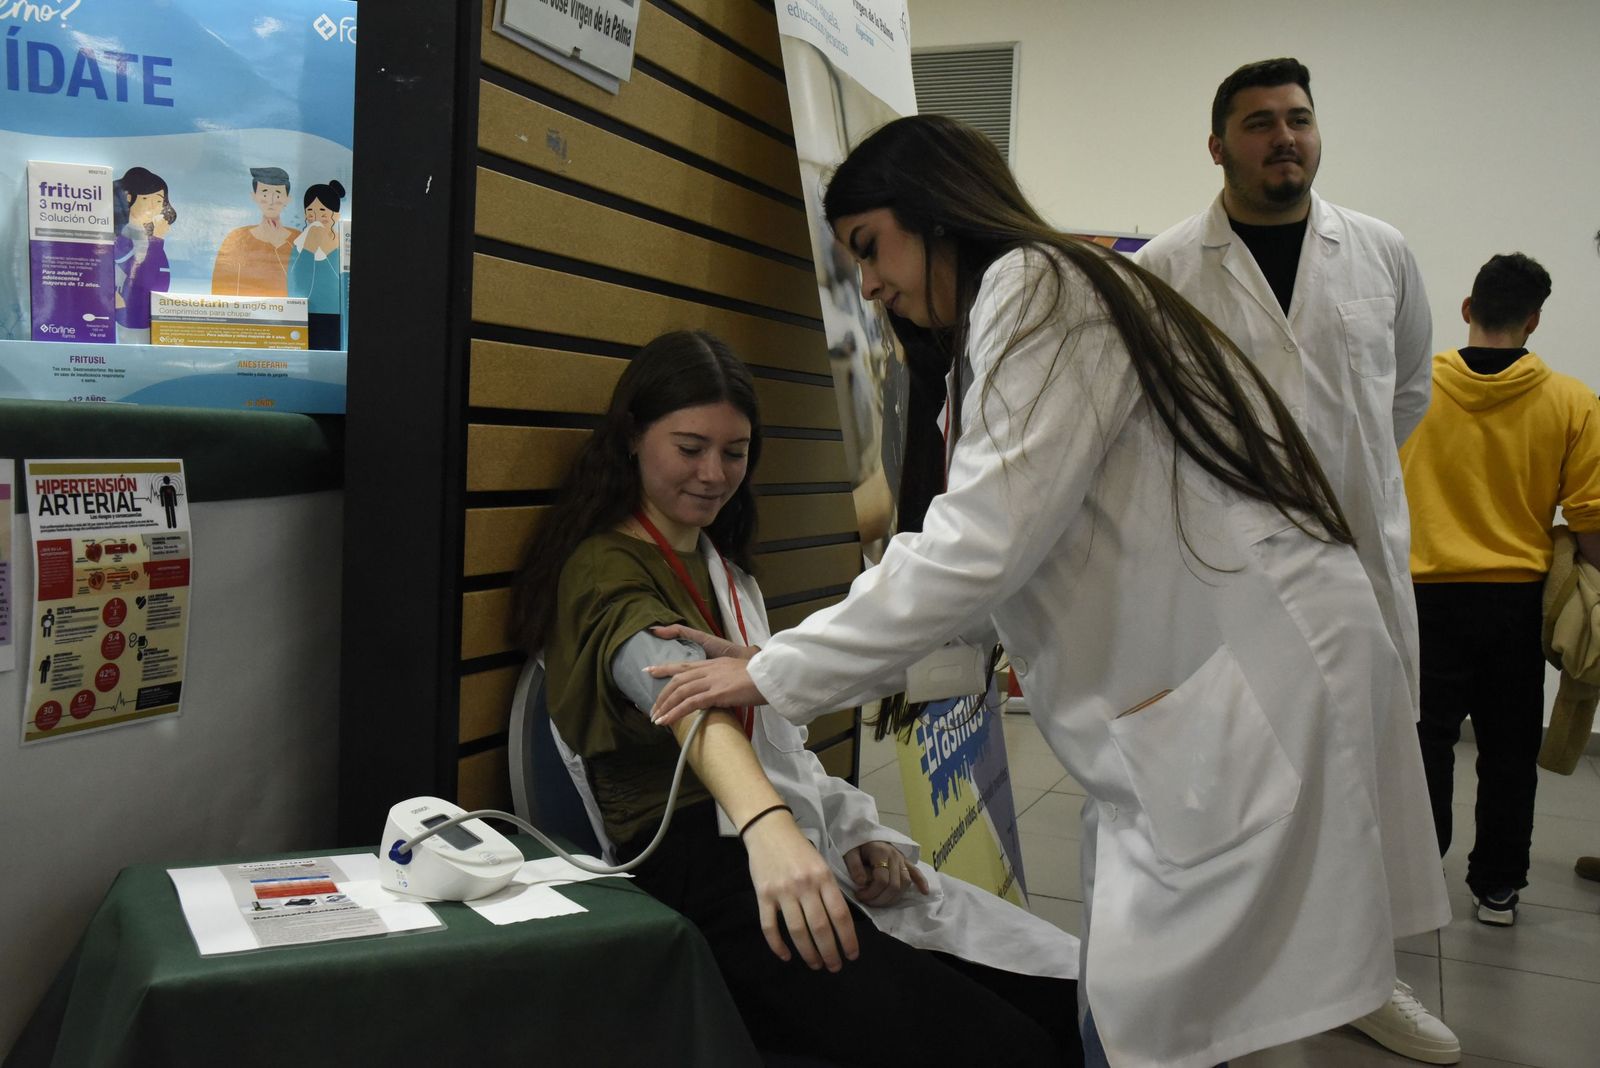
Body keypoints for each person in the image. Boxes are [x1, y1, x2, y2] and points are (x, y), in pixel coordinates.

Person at [648, 115, 1416, 1068]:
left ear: (931, 211)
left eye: (868, 248)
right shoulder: (1011, 320)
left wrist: (773, 672)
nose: (870, 283)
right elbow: (970, 553)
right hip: (1205, 690)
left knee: (1173, 1013)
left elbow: (978, 548)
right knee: (1176, 1003)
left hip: (1250, 682)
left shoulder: (1037, 287)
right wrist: (779, 658)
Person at [510, 330, 1082, 1067]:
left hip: (775, 840)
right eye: (689, 448)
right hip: (704, 863)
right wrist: (770, 829)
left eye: (735, 452)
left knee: (1065, 1001)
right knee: (1007, 1048)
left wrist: (850, 830)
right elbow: (689, 704)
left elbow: (780, 746)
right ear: (630, 438)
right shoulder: (604, 570)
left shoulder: (721, 566)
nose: (714, 473)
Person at [1135, 58, 1456, 1062]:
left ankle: (1362, 978)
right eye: (1260, 122)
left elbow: (1405, 392)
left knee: (1355, 777)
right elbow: (1149, 424)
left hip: (1354, 565)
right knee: (1236, 780)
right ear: (1217, 144)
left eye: (1300, 119)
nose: (1285, 138)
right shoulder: (1165, 269)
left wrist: (1343, 488)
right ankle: (1235, 977)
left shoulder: (1380, 253)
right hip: (1224, 579)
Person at [1400, 253, 1600, 924]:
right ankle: (1497, 886)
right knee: (1509, 744)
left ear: (1466, 309)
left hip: (1423, 592)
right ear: (1534, 320)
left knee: (1425, 736)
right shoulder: (1572, 401)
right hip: (1516, 598)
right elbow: (1591, 517)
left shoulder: (1413, 387)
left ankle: (1417, 873)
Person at [212, 166, 299, 296]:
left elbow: (303, 283)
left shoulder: (299, 239)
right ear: (254, 196)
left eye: (278, 194)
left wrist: (279, 244)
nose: (271, 201)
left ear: (288, 199)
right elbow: (220, 287)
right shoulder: (237, 238)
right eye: (264, 193)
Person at [112, 166, 175, 344]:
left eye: (158, 201)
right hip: (134, 314)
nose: (153, 207)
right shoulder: (126, 235)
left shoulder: (143, 234)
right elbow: (140, 277)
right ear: (128, 198)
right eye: (146, 199)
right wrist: (157, 240)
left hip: (151, 311)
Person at [288, 179, 346, 350]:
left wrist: (327, 248)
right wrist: (309, 248)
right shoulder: (300, 243)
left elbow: (341, 282)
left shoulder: (343, 243)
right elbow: (296, 282)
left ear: (335, 215)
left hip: (337, 314)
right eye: (310, 211)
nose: (316, 217)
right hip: (304, 314)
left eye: (322, 210)